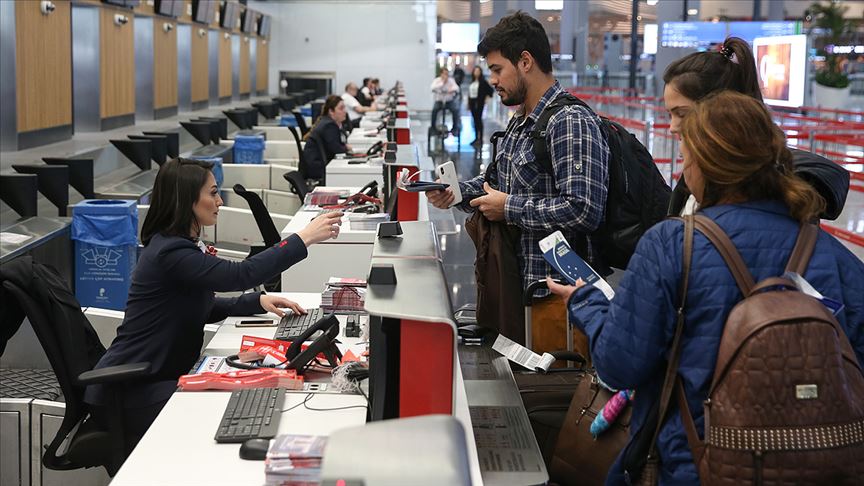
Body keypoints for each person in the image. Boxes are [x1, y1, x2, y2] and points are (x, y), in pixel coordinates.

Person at [547, 91, 864, 484]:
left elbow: (620, 364)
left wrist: (586, 303)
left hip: (691, 465)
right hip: (819, 468)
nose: (682, 165)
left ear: (706, 164)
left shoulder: (673, 245)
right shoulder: (837, 258)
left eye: (686, 154)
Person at [83, 158, 344, 459]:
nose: (219, 201)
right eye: (212, 193)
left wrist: (256, 301)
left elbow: (195, 307)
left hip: (150, 379)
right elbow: (241, 275)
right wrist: (304, 237)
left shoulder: (172, 245)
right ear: (187, 200)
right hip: (132, 389)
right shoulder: (171, 252)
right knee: (227, 410)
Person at [428, 11, 609, 356]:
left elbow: (584, 209)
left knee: (551, 396)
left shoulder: (570, 122)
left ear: (525, 61)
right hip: (516, 287)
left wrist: (508, 207)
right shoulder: (521, 121)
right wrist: (457, 193)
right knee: (522, 393)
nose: (492, 79)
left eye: (497, 69)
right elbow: (495, 181)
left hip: (556, 296)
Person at [664, 37, 849, 219]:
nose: (672, 127)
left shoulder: (776, 196)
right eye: (670, 115)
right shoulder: (697, 175)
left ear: (721, 109)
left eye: (682, 114)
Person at [301, 95, 352, 181]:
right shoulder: (329, 126)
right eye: (341, 108)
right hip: (317, 168)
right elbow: (337, 150)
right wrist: (346, 147)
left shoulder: (327, 122)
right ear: (331, 111)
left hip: (316, 165)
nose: (345, 111)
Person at [430, 68, 462, 136]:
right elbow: (432, 88)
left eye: (447, 74)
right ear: (441, 74)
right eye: (444, 74)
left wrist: (451, 90)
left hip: (449, 101)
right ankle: (433, 128)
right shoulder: (437, 80)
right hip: (439, 101)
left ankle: (455, 128)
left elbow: (457, 88)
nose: (446, 75)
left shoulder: (451, 80)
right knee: (434, 110)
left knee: (455, 110)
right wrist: (442, 83)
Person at [467, 65, 494, 146]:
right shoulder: (472, 82)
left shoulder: (483, 82)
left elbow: (490, 91)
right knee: (475, 120)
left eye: (478, 71)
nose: (476, 73)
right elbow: (470, 93)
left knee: (479, 120)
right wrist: (468, 103)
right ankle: (476, 137)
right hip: (472, 102)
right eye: (475, 71)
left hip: (479, 102)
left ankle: (480, 138)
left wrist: (486, 98)